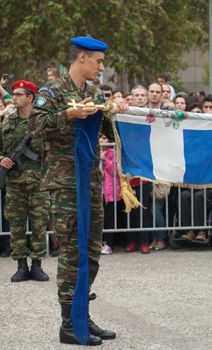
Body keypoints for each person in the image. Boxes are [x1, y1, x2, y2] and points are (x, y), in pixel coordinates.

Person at [29, 36, 117, 346]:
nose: (101, 67)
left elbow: (107, 132)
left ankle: (82, 314)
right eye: (98, 61)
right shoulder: (51, 93)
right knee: (72, 254)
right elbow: (34, 128)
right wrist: (67, 115)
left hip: (90, 182)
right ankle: (69, 324)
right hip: (65, 185)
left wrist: (114, 112)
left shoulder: (94, 93)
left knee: (91, 254)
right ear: (81, 58)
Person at [0, 80, 50, 282]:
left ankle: (37, 265)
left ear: (30, 97)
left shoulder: (41, 121)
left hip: (39, 182)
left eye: (19, 94)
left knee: (39, 225)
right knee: (17, 226)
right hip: (14, 183)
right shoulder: (7, 121)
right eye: (13, 93)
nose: (15, 97)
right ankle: (21, 265)